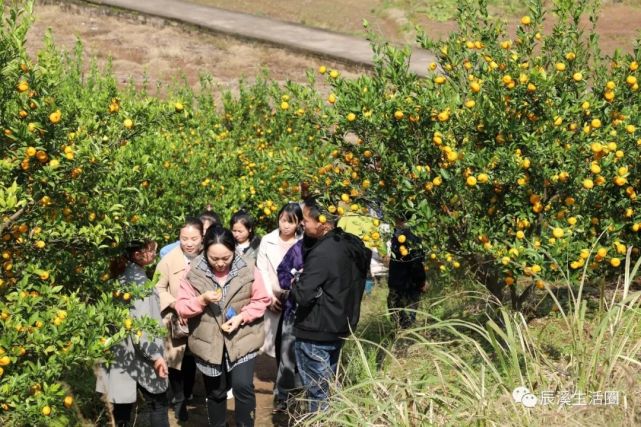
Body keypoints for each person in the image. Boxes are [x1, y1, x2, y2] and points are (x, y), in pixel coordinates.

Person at [176, 226, 270, 427]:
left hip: (243, 337)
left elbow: (262, 299)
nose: (220, 263)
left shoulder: (248, 268)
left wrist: (241, 317)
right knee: (216, 392)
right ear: (205, 250)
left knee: (242, 386)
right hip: (208, 342)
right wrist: (201, 300)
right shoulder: (193, 272)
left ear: (234, 250)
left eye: (226, 258)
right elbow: (182, 307)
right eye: (214, 259)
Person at [292, 197, 372, 412]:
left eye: (306, 219)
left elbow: (303, 295)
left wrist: (295, 282)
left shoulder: (323, 252)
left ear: (323, 222)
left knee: (318, 394)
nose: (301, 223)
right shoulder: (353, 243)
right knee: (329, 388)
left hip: (315, 330)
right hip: (341, 324)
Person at [96, 240, 169, 427]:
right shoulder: (140, 284)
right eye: (151, 250)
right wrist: (155, 356)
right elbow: (141, 327)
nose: (154, 253)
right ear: (138, 255)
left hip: (119, 354)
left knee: (122, 409)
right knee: (158, 403)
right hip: (139, 353)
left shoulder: (116, 277)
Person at [154, 217, 203, 421]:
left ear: (202, 238)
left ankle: (189, 393)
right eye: (184, 238)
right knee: (176, 359)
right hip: (176, 319)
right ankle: (179, 399)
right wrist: (174, 304)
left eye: (193, 238)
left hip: (201, 317)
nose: (189, 243)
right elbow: (157, 288)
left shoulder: (208, 256)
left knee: (193, 359)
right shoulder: (168, 260)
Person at [255, 203, 303, 360]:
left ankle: (287, 379)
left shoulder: (302, 243)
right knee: (274, 340)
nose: (286, 225)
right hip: (273, 297)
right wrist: (269, 296)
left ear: (299, 223)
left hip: (295, 298)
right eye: (283, 220)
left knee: (290, 340)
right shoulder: (268, 240)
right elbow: (261, 270)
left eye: (291, 221)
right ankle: (278, 376)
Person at [272, 236, 306, 413]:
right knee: (287, 356)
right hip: (293, 310)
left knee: (307, 358)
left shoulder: (329, 249)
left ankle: (304, 397)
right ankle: (283, 397)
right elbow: (282, 270)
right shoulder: (298, 248)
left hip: (317, 315)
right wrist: (290, 282)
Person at [387, 216, 427, 329]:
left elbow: (416, 262)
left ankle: (404, 338)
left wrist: (421, 281)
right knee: (402, 318)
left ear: (400, 220)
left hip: (407, 284)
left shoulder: (408, 237)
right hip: (401, 283)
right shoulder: (398, 235)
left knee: (403, 319)